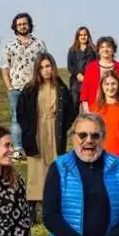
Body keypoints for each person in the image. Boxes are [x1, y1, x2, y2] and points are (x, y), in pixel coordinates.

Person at [16, 52, 76, 224]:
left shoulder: (61, 88)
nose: (45, 70)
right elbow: (21, 113)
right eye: (41, 67)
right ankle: (32, 207)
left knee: (55, 166)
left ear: (53, 67)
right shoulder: (29, 89)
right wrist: (27, 131)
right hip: (36, 132)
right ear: (37, 70)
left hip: (54, 131)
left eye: (48, 66)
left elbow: (70, 110)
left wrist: (64, 127)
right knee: (36, 169)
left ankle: (53, 207)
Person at [1, 12, 47, 159]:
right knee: (16, 118)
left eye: (24, 24)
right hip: (16, 87)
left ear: (29, 25)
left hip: (34, 87)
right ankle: (18, 148)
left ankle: (34, 146)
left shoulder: (39, 44)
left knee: (36, 117)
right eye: (19, 24)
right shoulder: (10, 46)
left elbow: (46, 65)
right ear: (15, 27)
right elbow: (5, 68)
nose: (22, 26)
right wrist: (9, 87)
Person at [79, 36, 119, 112]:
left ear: (113, 50)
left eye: (108, 47)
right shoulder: (91, 67)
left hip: (116, 108)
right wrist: (87, 112)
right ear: (98, 50)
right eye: (102, 47)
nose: (105, 49)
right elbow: (85, 91)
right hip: (94, 109)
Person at [66, 26, 96, 108]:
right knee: (74, 103)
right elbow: (70, 66)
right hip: (75, 81)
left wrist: (87, 77)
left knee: (88, 106)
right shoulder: (72, 50)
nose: (83, 37)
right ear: (77, 37)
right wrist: (77, 74)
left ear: (88, 36)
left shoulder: (94, 50)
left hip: (89, 81)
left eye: (85, 35)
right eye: (81, 35)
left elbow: (96, 65)